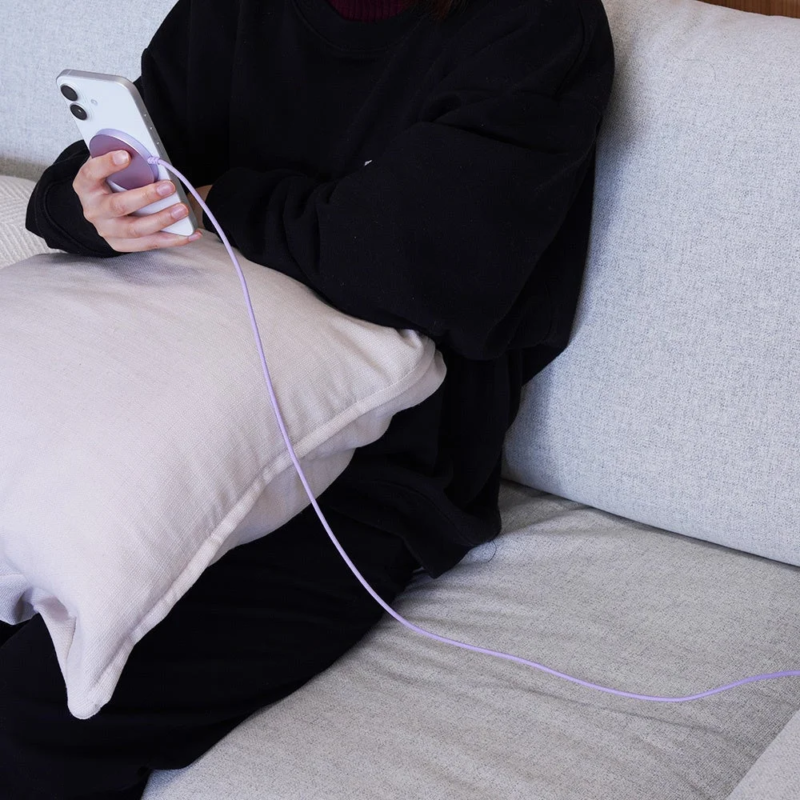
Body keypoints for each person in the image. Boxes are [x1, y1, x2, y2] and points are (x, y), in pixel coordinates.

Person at [2, 0, 614, 796]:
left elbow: (415, 263)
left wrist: (212, 204)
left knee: (35, 710)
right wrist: (87, 205)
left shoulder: (536, 26)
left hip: (375, 472)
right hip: (157, 399)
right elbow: (128, 161)